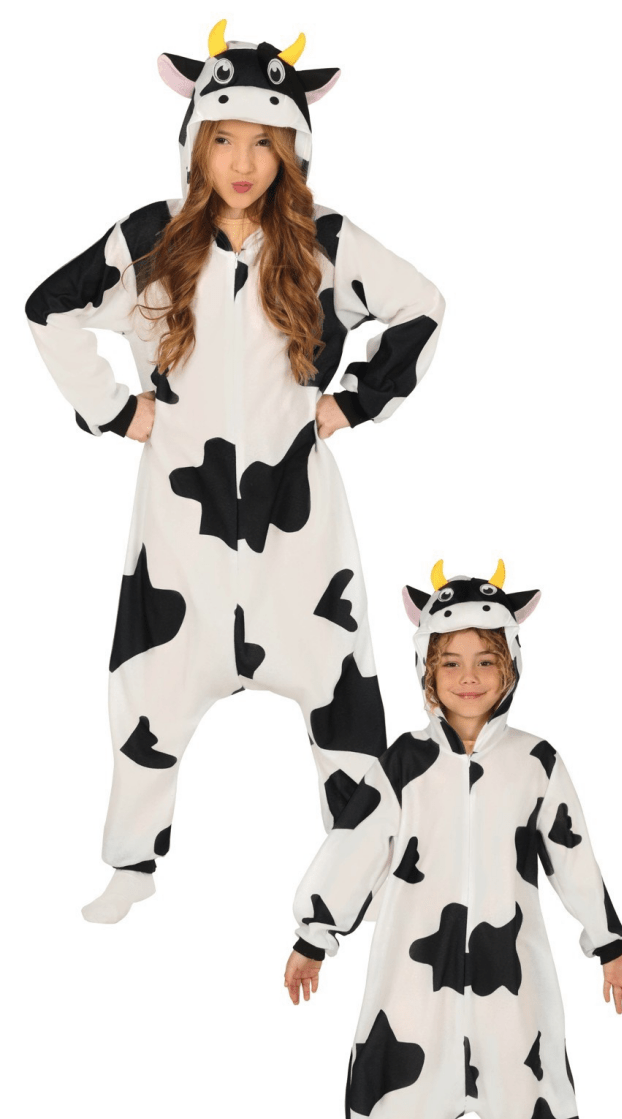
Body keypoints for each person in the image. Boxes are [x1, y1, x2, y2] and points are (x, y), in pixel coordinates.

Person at [24, 21, 445, 923]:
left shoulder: (324, 241)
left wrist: (353, 402)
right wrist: (115, 410)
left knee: (339, 686)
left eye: (264, 140)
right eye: (223, 139)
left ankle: (366, 866)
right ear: (195, 143)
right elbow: (47, 308)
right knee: (149, 684)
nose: (243, 162)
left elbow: (421, 306)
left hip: (300, 521)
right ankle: (132, 864)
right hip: (181, 527)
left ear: (291, 147)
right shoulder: (152, 240)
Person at [285, 559, 622, 1119]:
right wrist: (313, 937)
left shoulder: (536, 762)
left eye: (486, 662)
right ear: (427, 669)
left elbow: (572, 854)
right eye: (450, 662)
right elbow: (354, 848)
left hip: (514, 997)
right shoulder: (404, 763)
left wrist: (609, 944)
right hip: (411, 994)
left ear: (511, 666)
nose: (468, 677)